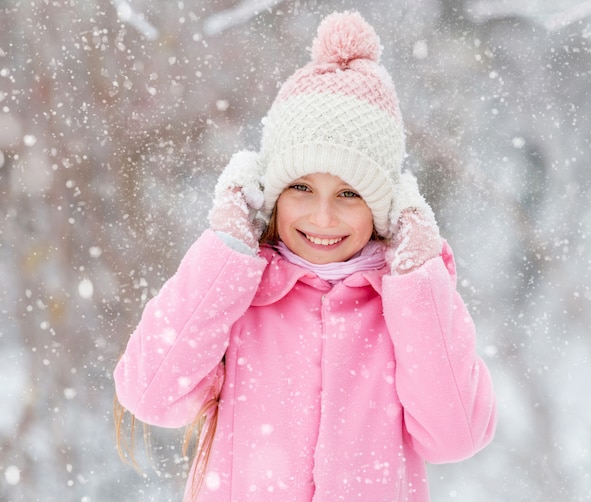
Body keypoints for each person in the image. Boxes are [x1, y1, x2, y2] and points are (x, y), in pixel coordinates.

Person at [114, 10, 497, 502]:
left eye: (349, 194)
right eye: (301, 186)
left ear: (384, 208)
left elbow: (454, 436)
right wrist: (227, 253)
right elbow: (151, 393)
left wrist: (418, 280)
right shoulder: (241, 293)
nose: (322, 217)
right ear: (271, 192)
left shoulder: (404, 306)